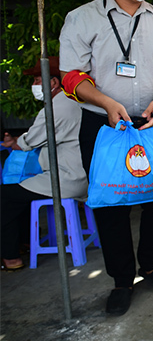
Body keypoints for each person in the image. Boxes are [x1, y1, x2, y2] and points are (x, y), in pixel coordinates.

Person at [58, 0, 153, 315]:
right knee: (109, 204)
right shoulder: (83, 18)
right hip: (103, 123)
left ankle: (151, 264)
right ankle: (122, 280)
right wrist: (106, 103)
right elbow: (70, 77)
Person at [1, 57, 88, 271]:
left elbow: (29, 142)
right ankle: (24, 243)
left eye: (38, 80)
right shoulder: (75, 101)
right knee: (19, 194)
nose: (35, 85)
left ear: (54, 83)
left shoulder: (56, 107)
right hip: (80, 173)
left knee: (5, 197)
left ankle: (11, 257)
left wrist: (13, 143)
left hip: (67, 178)